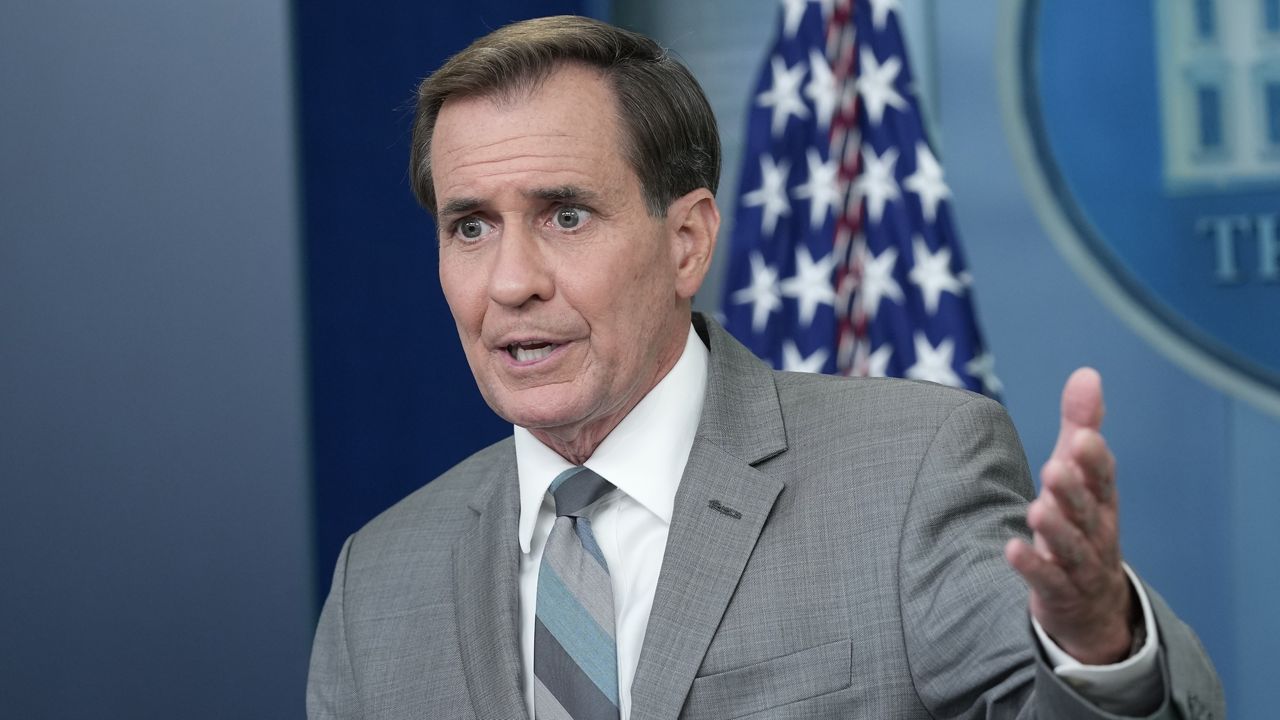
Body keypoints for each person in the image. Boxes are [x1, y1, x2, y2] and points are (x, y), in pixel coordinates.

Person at [307, 15, 1222, 720]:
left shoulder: (909, 476)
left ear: (688, 241)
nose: (509, 282)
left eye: (565, 216)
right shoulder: (378, 581)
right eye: (471, 226)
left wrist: (1096, 641)